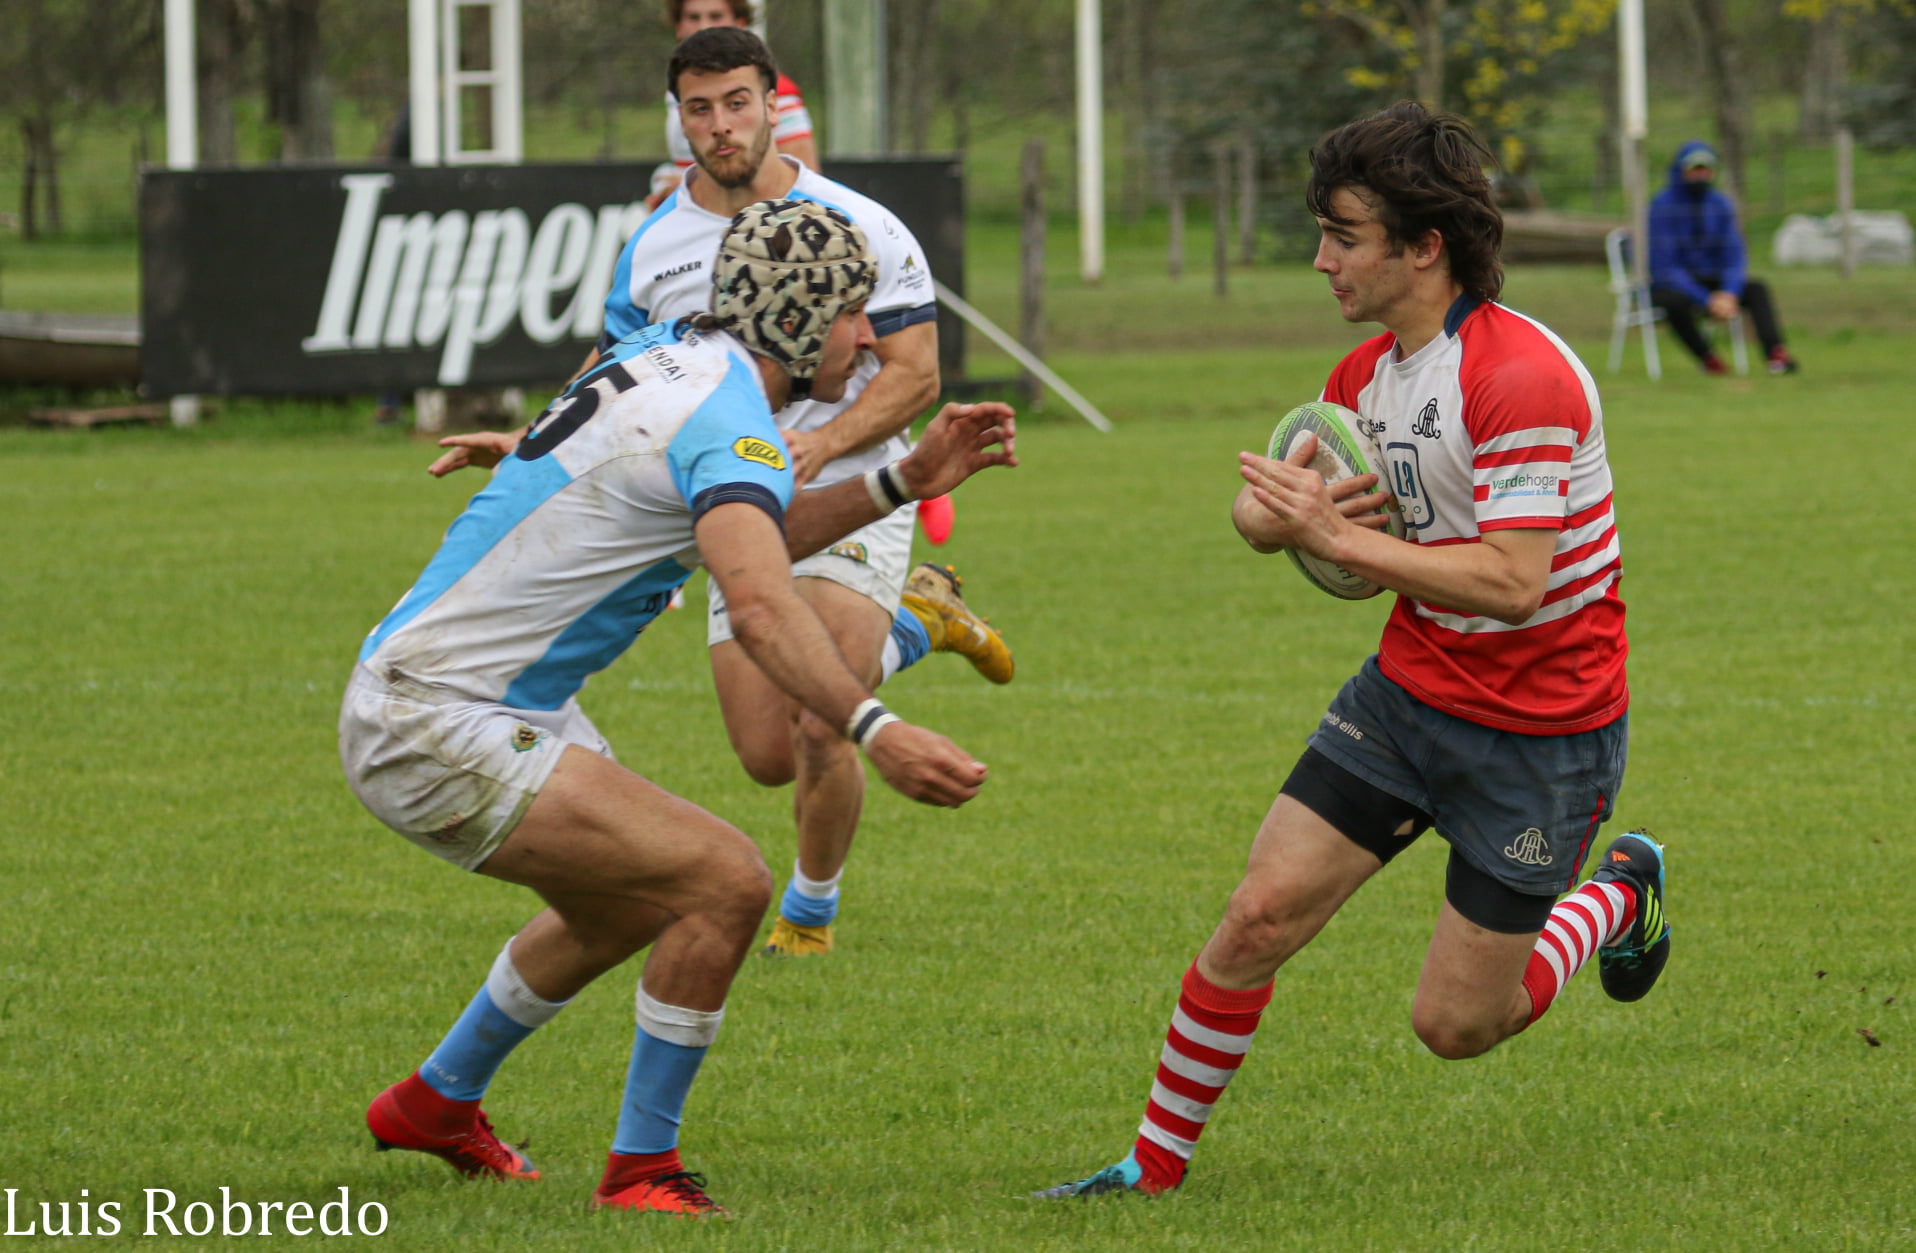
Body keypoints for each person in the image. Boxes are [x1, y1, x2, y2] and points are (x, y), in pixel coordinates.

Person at [1039, 102, 1670, 1200]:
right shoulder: (1361, 382)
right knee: (1255, 914)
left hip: (1541, 727)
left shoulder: (1519, 376)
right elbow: (1273, 515)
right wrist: (1277, 516)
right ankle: (1146, 1170)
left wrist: (1332, 536)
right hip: (1407, 693)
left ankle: (1616, 893)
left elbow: (1515, 583)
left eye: (1342, 234)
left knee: (1455, 1025)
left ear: (1422, 246)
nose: (1320, 260)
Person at [347, 199, 1017, 1216]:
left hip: (443, 693)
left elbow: (753, 534)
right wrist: (877, 727)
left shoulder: (672, 354)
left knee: (623, 904)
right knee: (724, 881)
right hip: (438, 719)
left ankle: (435, 1099)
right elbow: (754, 601)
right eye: (850, 315)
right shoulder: (731, 424)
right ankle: (640, 1171)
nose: (867, 337)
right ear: (797, 321)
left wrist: (901, 480)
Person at [432, 27, 1009, 960]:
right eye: (699, 108)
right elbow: (615, 365)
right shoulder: (656, 242)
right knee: (764, 753)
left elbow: (916, 374)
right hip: (723, 497)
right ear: (680, 118)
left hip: (855, 487)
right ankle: (922, 622)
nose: (720, 125)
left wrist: (818, 445)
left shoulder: (860, 223)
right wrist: (540, 437)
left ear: (771, 104)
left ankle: (809, 913)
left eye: (737, 102)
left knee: (823, 721)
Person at [645, 0, 818, 212]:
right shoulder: (678, 93)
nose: (704, 27)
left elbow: (805, 186)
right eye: (693, 17)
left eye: (716, 16)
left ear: (740, 24)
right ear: (678, 26)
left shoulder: (776, 91)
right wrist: (671, 189)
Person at [1648, 140, 1799, 375]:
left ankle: (1776, 355)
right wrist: (1706, 299)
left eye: (1705, 169)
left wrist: (1728, 292)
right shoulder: (1662, 205)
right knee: (1671, 303)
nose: (1701, 175)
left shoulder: (1719, 204)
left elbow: (1734, 255)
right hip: (1677, 284)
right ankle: (1707, 358)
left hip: (1714, 279)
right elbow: (1664, 266)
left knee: (1757, 289)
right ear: (1681, 170)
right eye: (1694, 169)